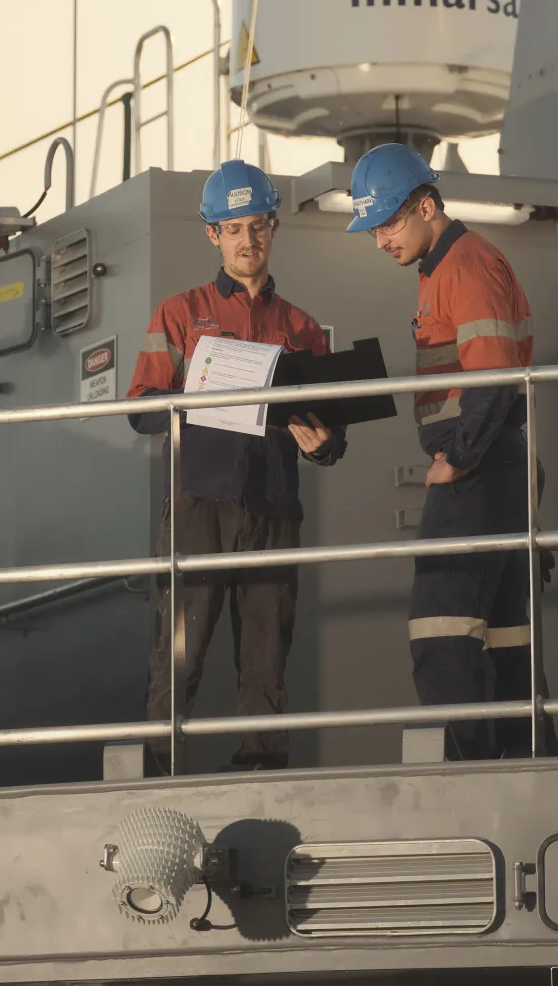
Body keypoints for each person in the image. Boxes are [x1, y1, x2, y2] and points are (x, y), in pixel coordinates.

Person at [127, 159, 345, 774]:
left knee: (267, 657)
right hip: (200, 502)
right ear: (212, 236)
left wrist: (321, 444)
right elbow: (141, 409)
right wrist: (196, 397)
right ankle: (160, 777)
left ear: (274, 229)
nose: (248, 240)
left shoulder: (301, 327)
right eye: (234, 228)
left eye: (258, 226)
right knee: (180, 653)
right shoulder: (180, 313)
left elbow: (333, 439)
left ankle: (263, 776)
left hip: (275, 505)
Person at [345, 142, 558, 761]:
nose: (380, 239)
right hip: (498, 468)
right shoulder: (452, 267)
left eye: (387, 222)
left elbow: (490, 378)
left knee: (440, 634)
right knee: (504, 639)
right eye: (373, 227)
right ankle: (525, 769)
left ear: (427, 206)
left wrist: (458, 458)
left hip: (480, 471)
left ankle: (471, 775)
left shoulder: (462, 268)